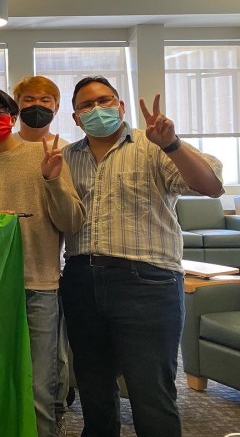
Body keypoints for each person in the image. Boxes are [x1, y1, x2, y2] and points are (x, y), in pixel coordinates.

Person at [61, 76, 224, 437]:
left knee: (151, 391)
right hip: (81, 280)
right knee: (94, 389)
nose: (96, 109)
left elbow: (211, 186)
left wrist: (173, 145)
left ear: (120, 106)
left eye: (105, 101)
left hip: (147, 283)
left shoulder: (153, 147)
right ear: (75, 118)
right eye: (86, 105)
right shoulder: (66, 158)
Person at [0, 88, 85, 437]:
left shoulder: (45, 157)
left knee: (41, 389)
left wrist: (53, 179)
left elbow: (72, 221)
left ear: (14, 117)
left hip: (39, 286)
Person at [11, 75, 72, 434]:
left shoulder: (68, 152)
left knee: (46, 375)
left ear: (57, 106)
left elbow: (71, 217)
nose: (37, 105)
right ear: (17, 105)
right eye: (29, 99)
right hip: (2, 281)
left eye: (46, 100)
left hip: (47, 277)